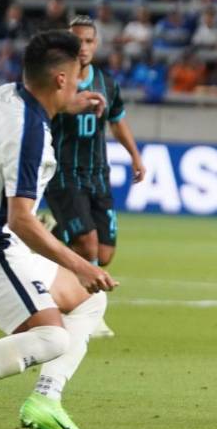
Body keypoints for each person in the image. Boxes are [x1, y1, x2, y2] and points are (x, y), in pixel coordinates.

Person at [0, 30, 117, 429]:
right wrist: (80, 264)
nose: (78, 86)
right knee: (51, 337)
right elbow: (22, 220)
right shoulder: (30, 136)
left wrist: (68, 105)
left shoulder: (0, 96)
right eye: (75, 80)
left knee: (90, 300)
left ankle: (46, 399)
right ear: (59, 79)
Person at [45, 16, 146, 285]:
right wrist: (65, 105)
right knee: (87, 245)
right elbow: (36, 113)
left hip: (98, 174)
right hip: (64, 173)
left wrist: (135, 155)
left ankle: (48, 237)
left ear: (96, 44)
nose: (83, 47)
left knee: (104, 253)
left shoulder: (106, 83)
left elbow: (117, 120)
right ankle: (87, 309)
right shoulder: (54, 80)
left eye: (88, 41)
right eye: (76, 40)